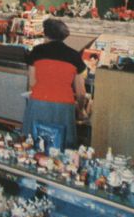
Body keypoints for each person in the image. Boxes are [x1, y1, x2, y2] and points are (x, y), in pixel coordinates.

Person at [23, 19, 87, 149]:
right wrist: (81, 110)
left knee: (35, 144)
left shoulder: (37, 51)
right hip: (63, 108)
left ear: (46, 34)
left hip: (39, 103)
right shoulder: (74, 56)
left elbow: (32, 82)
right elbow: (81, 93)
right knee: (62, 147)